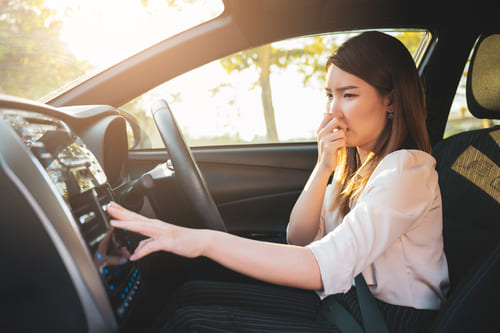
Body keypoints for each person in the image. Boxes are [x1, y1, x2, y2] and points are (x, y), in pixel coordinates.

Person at [108, 31, 449, 332]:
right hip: (346, 303)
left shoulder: (406, 168)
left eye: (349, 95)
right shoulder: (362, 167)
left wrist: (201, 241)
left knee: (192, 323)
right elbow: (299, 239)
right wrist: (324, 167)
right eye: (329, 95)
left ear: (390, 101)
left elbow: (320, 267)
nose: (333, 112)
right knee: (191, 294)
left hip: (385, 321)